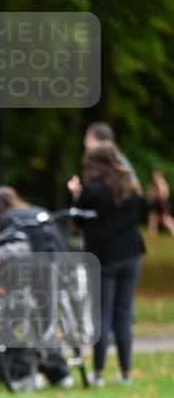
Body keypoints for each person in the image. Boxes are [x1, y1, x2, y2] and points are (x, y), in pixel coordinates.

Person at [67, 142, 144, 385]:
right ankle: (125, 372)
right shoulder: (130, 186)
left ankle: (98, 372)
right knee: (123, 314)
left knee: (102, 314)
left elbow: (76, 222)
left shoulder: (91, 190)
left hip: (104, 258)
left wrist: (75, 195)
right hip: (131, 254)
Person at [0, 185, 74, 389]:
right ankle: (58, 372)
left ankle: (23, 372)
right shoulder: (41, 212)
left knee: (16, 321)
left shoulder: (8, 219)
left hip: (25, 279)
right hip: (54, 274)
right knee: (48, 325)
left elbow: (5, 254)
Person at [146, 169, 174, 236]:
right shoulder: (155, 183)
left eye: (155, 176)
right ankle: (152, 231)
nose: (153, 177)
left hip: (163, 203)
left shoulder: (161, 183)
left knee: (165, 219)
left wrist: (153, 193)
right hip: (158, 202)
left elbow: (162, 194)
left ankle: (173, 230)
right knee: (153, 216)